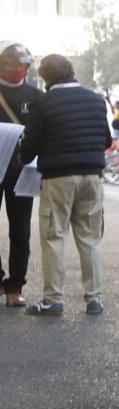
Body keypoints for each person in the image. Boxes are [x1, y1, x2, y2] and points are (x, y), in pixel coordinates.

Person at [18, 53, 110, 317]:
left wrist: (22, 157)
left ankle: (53, 299)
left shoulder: (43, 103)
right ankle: (94, 299)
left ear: (46, 78)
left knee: (54, 237)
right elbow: (106, 140)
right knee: (90, 239)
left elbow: (30, 146)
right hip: (92, 177)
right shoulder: (96, 100)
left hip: (58, 179)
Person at [0, 42, 42, 308]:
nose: (18, 70)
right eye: (12, 65)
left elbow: (42, 131)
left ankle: (15, 286)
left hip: (21, 169)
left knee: (20, 229)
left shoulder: (36, 96)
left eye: (23, 66)